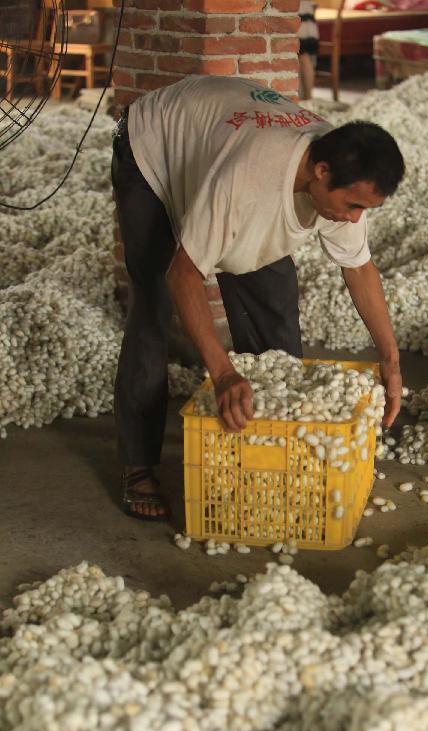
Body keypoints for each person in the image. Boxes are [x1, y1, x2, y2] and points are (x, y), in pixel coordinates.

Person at [111, 75, 405, 521]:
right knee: (154, 299)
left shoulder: (342, 175)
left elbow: (359, 268)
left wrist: (390, 358)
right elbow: (185, 274)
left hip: (219, 139)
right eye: (351, 206)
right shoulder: (247, 181)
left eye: (364, 209)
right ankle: (138, 465)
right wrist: (223, 372)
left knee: (274, 308)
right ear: (321, 172)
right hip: (154, 145)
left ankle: (266, 447)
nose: (352, 218)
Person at [298, 0, 319, 100]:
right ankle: (306, 97)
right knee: (303, 55)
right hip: (304, 10)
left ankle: (307, 97)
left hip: (299, 12)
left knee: (302, 55)